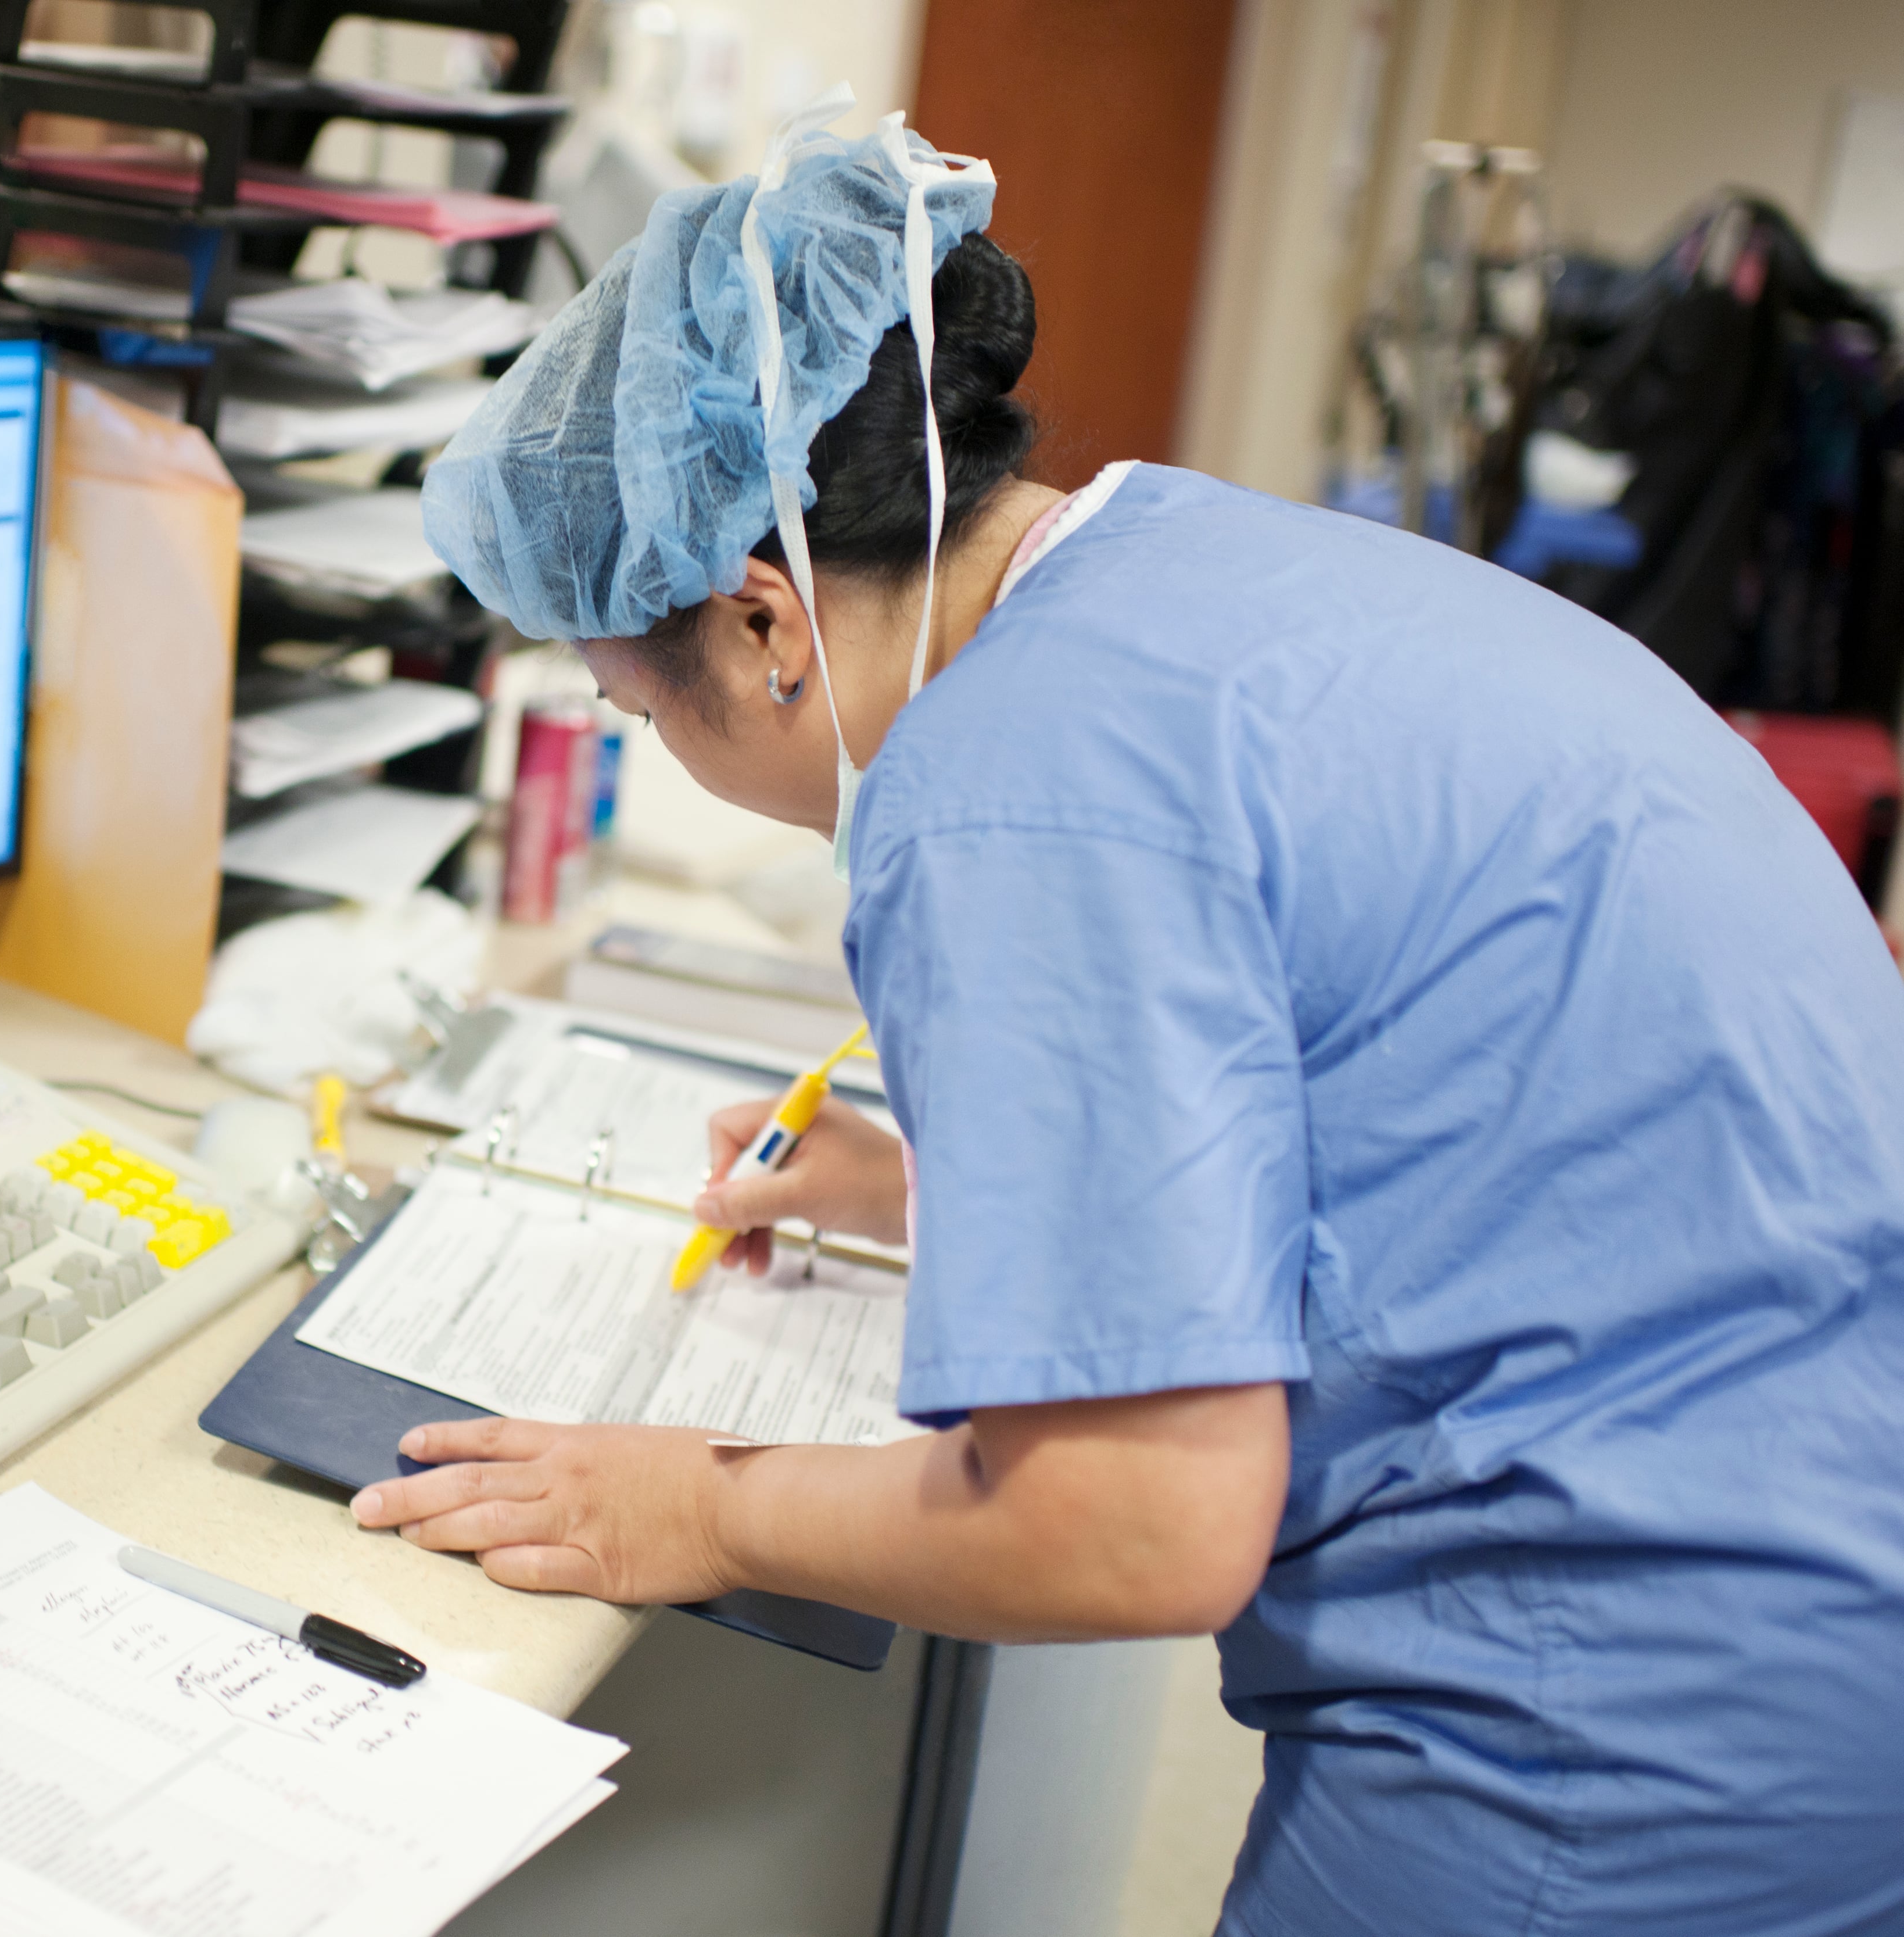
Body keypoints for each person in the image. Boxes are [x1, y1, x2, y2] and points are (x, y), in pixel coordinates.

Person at [352, 94, 1904, 1935]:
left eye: (637, 705)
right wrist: (956, 1196)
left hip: (1618, 1718)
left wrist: (699, 1504)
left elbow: (1137, 1521)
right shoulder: (1177, 565)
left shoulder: (996, 789)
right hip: (1825, 1563)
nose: (659, 749)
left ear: (765, 622)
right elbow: (1412, 1107)